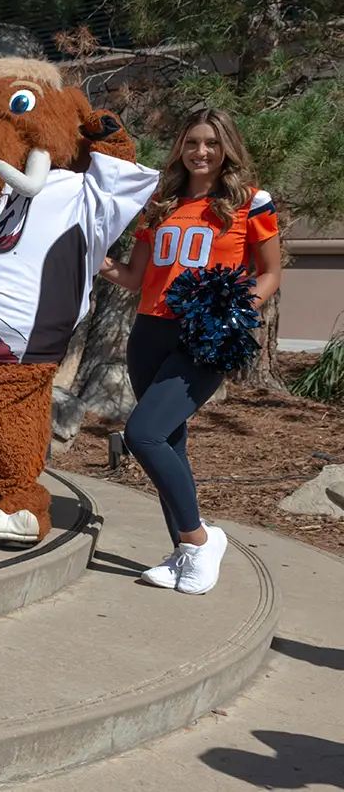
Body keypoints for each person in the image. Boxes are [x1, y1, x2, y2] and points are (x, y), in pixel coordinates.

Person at [100, 108, 280, 594]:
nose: (201, 152)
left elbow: (270, 273)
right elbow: (136, 278)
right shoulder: (160, 202)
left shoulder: (251, 202)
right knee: (170, 442)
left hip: (207, 336)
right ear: (180, 146)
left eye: (212, 143)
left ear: (227, 148)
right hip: (150, 331)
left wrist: (238, 311)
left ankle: (200, 540)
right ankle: (185, 552)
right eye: (192, 142)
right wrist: (96, 259)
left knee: (144, 434)